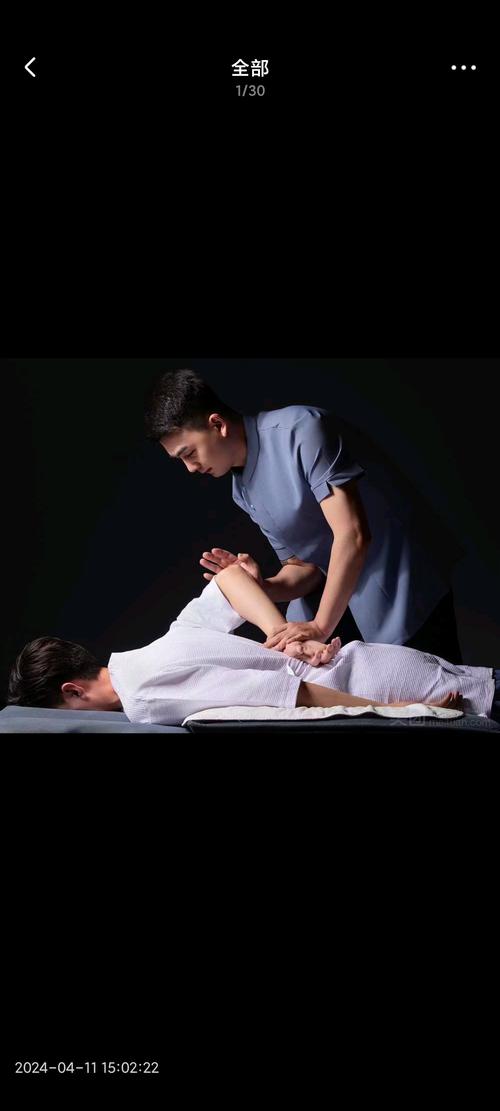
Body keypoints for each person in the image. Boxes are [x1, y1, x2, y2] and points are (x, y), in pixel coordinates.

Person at [144, 369, 463, 662]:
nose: (190, 468)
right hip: (340, 606)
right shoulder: (241, 490)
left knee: (440, 695)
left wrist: (321, 625)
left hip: (401, 582)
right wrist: (263, 586)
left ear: (217, 424)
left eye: (189, 453)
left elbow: (353, 534)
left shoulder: (302, 430)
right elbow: (304, 568)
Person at [7, 562, 498, 727]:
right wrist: (282, 634)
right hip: (382, 661)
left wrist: (404, 711)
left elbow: (288, 695)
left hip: (387, 690)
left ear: (72, 690)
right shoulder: (163, 643)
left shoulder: (144, 698)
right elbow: (231, 578)